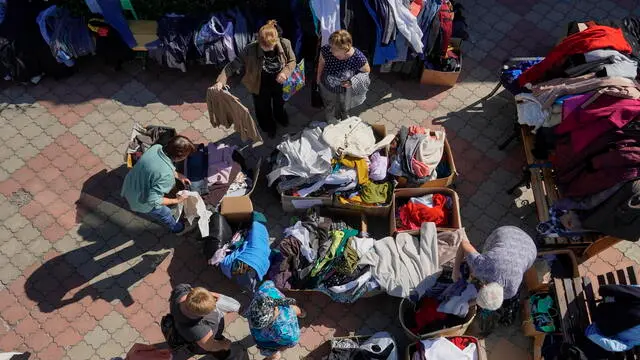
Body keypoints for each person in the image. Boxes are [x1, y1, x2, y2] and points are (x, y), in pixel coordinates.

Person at [213, 20, 296, 138]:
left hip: (280, 84)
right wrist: (221, 81)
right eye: (264, 47)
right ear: (258, 41)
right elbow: (233, 65)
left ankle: (280, 117)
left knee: (279, 103)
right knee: (263, 109)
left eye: (270, 47)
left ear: (276, 40)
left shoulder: (285, 43)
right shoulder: (249, 49)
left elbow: (292, 61)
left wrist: (285, 73)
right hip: (259, 85)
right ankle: (268, 127)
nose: (267, 49)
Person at [120, 135, 196, 234]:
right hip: (140, 201)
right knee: (165, 213)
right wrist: (176, 200)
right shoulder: (166, 176)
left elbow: (157, 166)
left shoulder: (156, 148)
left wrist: (178, 175)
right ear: (179, 157)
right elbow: (153, 200)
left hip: (130, 185)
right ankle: (177, 229)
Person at [453, 226, 537, 311]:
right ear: (484, 285)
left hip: (530, 248)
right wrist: (455, 271)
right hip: (509, 233)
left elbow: (488, 299)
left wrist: (468, 304)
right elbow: (464, 244)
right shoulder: (482, 266)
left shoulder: (511, 292)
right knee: (479, 262)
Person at [316, 29, 371, 123]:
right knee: (329, 103)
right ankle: (330, 118)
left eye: (335, 49)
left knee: (345, 104)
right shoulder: (326, 50)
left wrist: (352, 82)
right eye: (331, 46)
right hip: (327, 86)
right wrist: (318, 78)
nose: (331, 50)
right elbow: (321, 63)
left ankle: (344, 115)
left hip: (345, 89)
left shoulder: (357, 57)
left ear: (346, 48)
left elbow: (367, 71)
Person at [169, 284, 235, 358]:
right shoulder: (199, 330)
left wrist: (208, 297)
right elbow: (210, 346)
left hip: (180, 328)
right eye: (209, 312)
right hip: (200, 344)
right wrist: (225, 345)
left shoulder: (181, 289)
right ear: (199, 314)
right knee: (219, 351)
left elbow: (193, 291)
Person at [248, 281, 305, 360]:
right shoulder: (263, 291)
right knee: (295, 309)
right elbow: (293, 341)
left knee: (274, 356)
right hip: (266, 342)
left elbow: (292, 341)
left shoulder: (253, 316)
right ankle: (301, 312)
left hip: (261, 342)